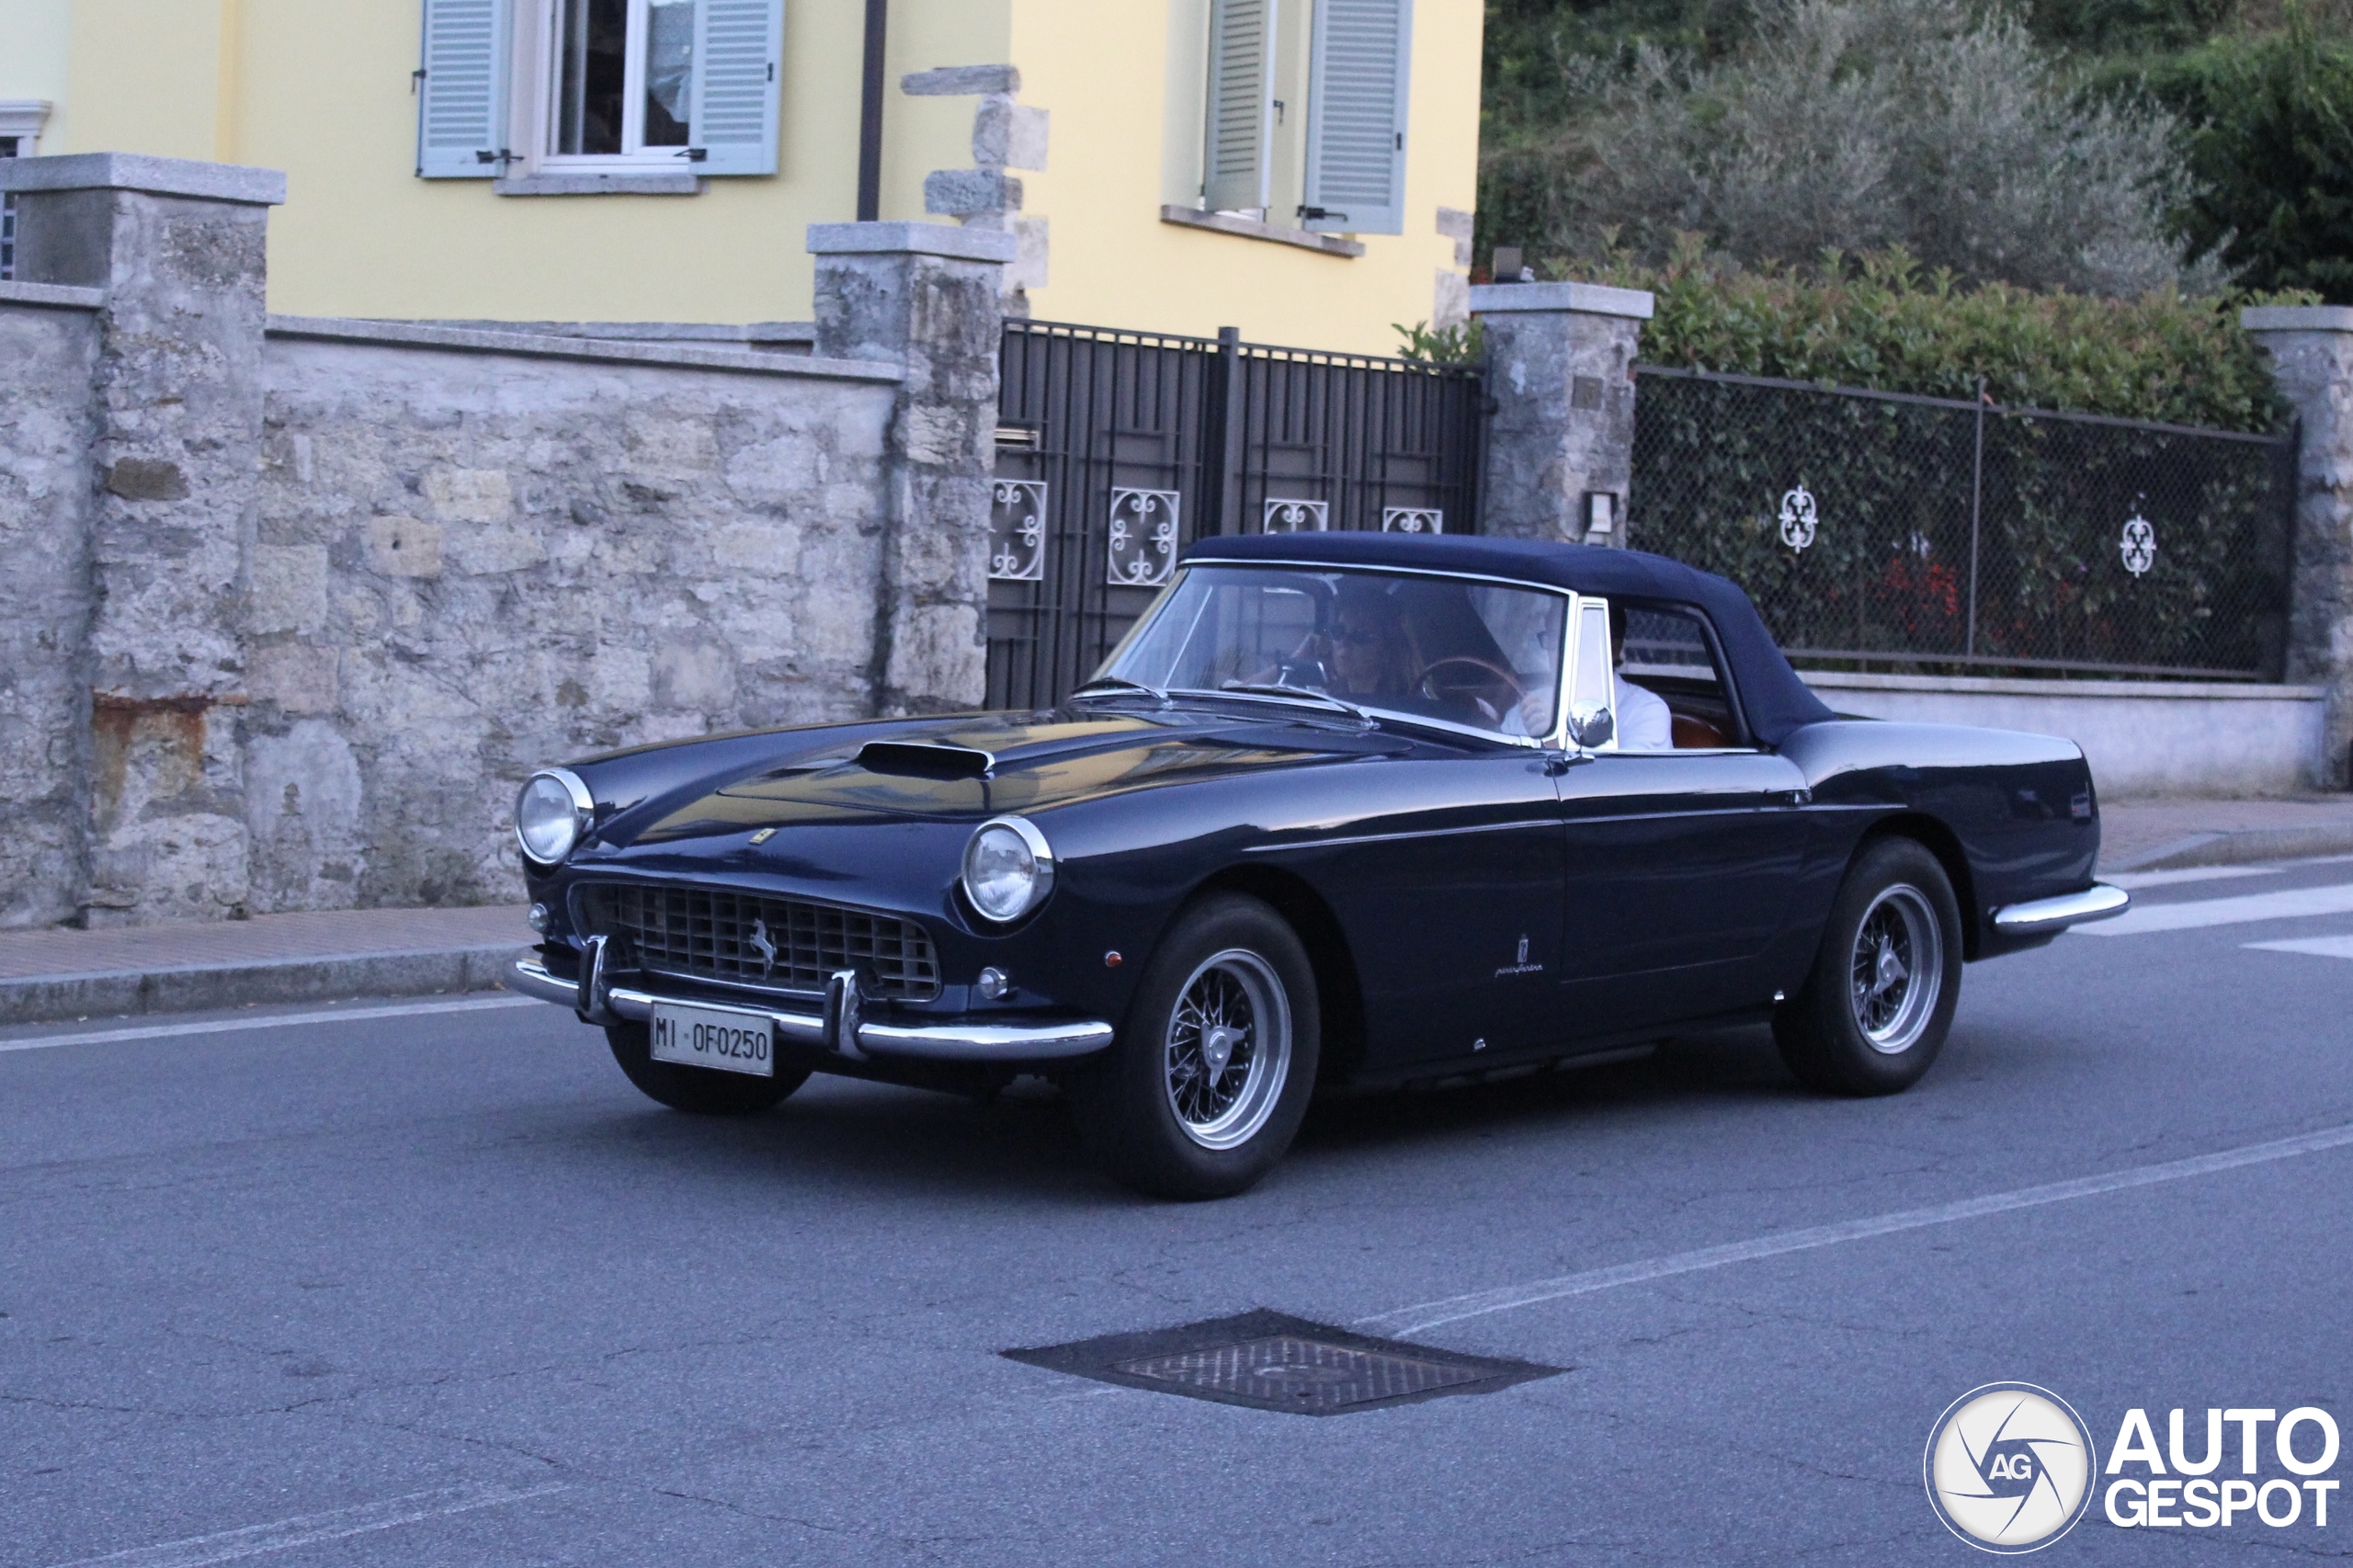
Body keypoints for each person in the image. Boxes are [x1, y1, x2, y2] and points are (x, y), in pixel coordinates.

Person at [1511, 600, 1675, 748]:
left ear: (1613, 649)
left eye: (1579, 638)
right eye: (1555, 638)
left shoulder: (1646, 711)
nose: (1563, 651)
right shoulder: (1532, 704)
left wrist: (1555, 739)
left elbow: (1625, 779)